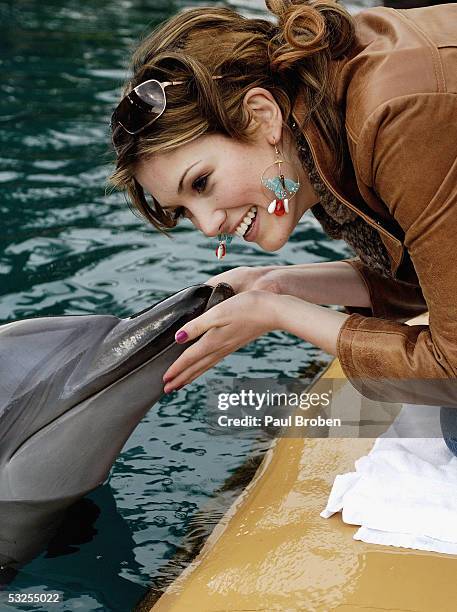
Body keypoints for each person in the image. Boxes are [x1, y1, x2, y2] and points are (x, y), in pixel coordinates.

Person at [109, 1, 457, 445]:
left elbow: (451, 368)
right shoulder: (324, 129)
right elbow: (431, 276)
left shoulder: (395, 117)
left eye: (201, 182)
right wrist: (276, 284)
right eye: (184, 211)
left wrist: (277, 313)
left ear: (262, 114)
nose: (208, 226)